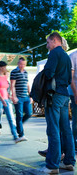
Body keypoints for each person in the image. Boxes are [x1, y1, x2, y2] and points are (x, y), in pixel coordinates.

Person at [39, 32, 76, 174]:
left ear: (55, 41)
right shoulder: (67, 57)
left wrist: (46, 70)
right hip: (64, 95)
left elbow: (48, 73)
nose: (47, 46)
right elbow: (69, 78)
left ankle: (52, 166)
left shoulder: (54, 53)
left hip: (54, 96)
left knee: (53, 129)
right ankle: (69, 162)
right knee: (66, 130)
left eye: (48, 42)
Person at [0, 61, 20, 144]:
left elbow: (5, 89)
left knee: (11, 118)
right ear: (1, 67)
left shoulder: (5, 77)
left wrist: (9, 96)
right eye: (4, 67)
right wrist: (2, 100)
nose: (5, 69)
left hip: (6, 99)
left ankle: (15, 137)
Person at [10, 57, 32, 142]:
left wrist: (30, 96)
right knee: (19, 116)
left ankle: (18, 127)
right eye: (21, 64)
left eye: (24, 64)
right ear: (18, 64)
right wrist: (14, 96)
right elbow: (12, 85)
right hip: (18, 97)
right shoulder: (14, 72)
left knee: (29, 113)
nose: (22, 66)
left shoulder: (26, 72)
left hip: (26, 97)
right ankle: (21, 135)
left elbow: (27, 84)